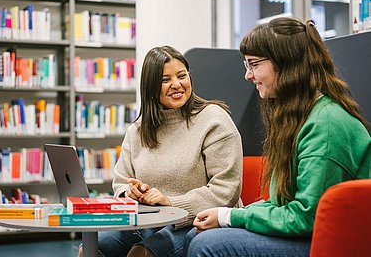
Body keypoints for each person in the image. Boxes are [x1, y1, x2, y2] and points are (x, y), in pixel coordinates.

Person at [184, 17, 371, 257]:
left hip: (335, 243)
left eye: (253, 64)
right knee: (195, 234)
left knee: (207, 244)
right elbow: (282, 203)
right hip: (308, 233)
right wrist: (228, 216)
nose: (248, 75)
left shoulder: (326, 124)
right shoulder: (302, 115)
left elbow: (305, 216)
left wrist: (230, 216)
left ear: (285, 64)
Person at [78, 45, 243, 257]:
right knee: (92, 248)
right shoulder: (138, 130)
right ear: (151, 87)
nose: (177, 84)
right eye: (165, 80)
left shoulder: (213, 119)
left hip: (197, 221)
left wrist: (170, 202)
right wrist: (130, 193)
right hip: (148, 221)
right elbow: (121, 181)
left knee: (141, 254)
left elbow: (225, 190)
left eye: (182, 76)